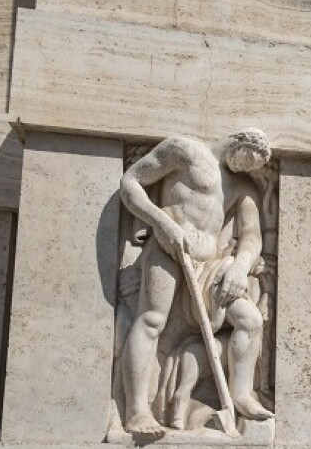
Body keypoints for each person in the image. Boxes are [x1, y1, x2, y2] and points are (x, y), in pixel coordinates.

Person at [119, 128, 274, 436]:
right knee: (151, 320)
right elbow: (131, 183)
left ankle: (241, 394)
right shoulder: (182, 151)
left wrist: (240, 268)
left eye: (254, 166)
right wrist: (161, 223)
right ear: (238, 141)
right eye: (247, 159)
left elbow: (252, 236)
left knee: (250, 320)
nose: (247, 168)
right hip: (168, 248)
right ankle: (137, 410)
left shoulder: (243, 187)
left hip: (212, 265)